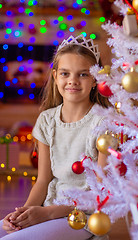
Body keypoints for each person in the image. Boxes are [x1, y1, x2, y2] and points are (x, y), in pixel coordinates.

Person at [0, 35, 109, 240]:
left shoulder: (103, 123)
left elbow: (100, 194)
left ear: (95, 79)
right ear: (55, 76)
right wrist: (22, 214)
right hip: (48, 209)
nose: (73, 81)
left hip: (84, 216)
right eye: (65, 73)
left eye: (83, 74)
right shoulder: (47, 120)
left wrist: (47, 213)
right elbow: (43, 180)